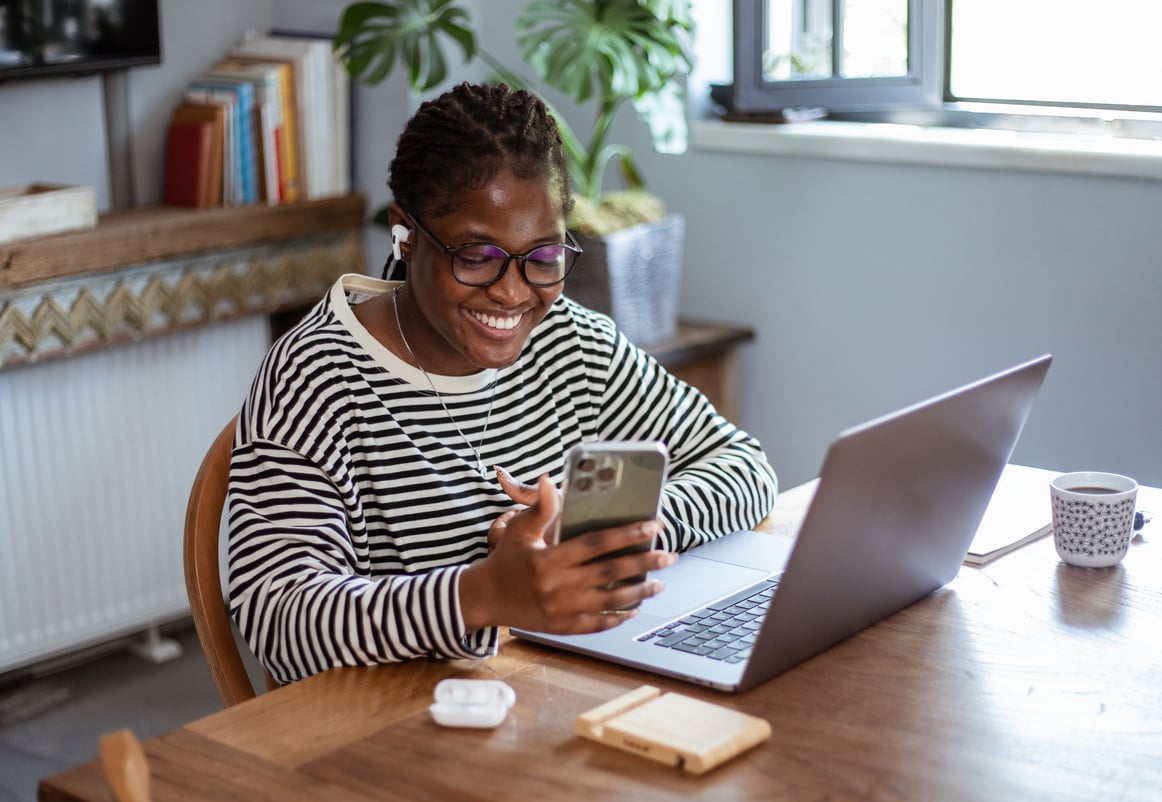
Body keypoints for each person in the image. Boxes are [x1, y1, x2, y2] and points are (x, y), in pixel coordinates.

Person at [227, 82, 779, 685]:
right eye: (476, 256)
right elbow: (277, 620)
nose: (513, 293)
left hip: (534, 697)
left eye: (542, 258)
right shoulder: (316, 378)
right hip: (387, 730)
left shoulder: (569, 342)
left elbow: (742, 464)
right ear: (404, 235)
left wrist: (606, 533)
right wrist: (482, 595)